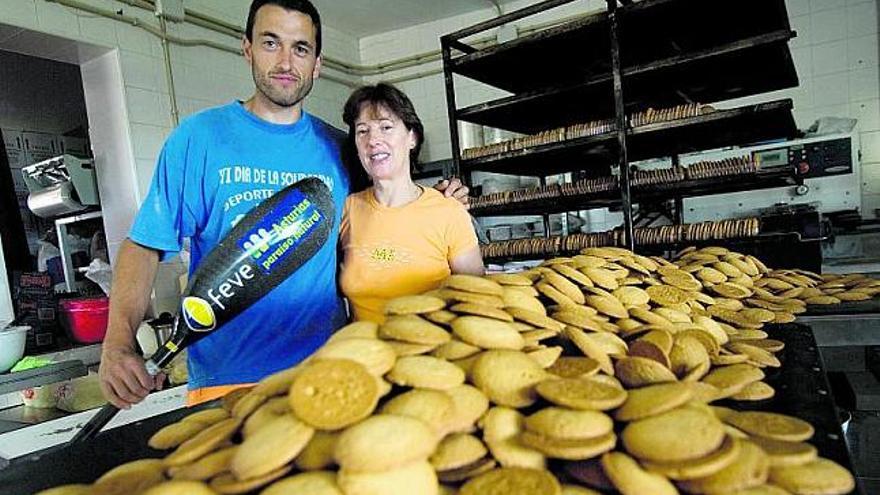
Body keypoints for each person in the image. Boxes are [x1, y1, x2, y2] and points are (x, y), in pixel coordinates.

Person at [99, 0, 468, 409]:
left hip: (326, 374)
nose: (286, 61)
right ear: (247, 48)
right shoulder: (199, 139)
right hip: (227, 383)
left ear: (317, 64)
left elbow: (387, 205)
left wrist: (440, 202)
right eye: (271, 42)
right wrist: (117, 341)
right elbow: (145, 243)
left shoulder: (340, 149)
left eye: (301, 48)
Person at [340, 83, 484, 323]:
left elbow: (478, 299)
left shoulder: (448, 211)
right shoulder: (348, 209)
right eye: (362, 131)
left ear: (412, 138)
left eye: (386, 127)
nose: (373, 140)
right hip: (364, 355)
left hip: (428, 354)